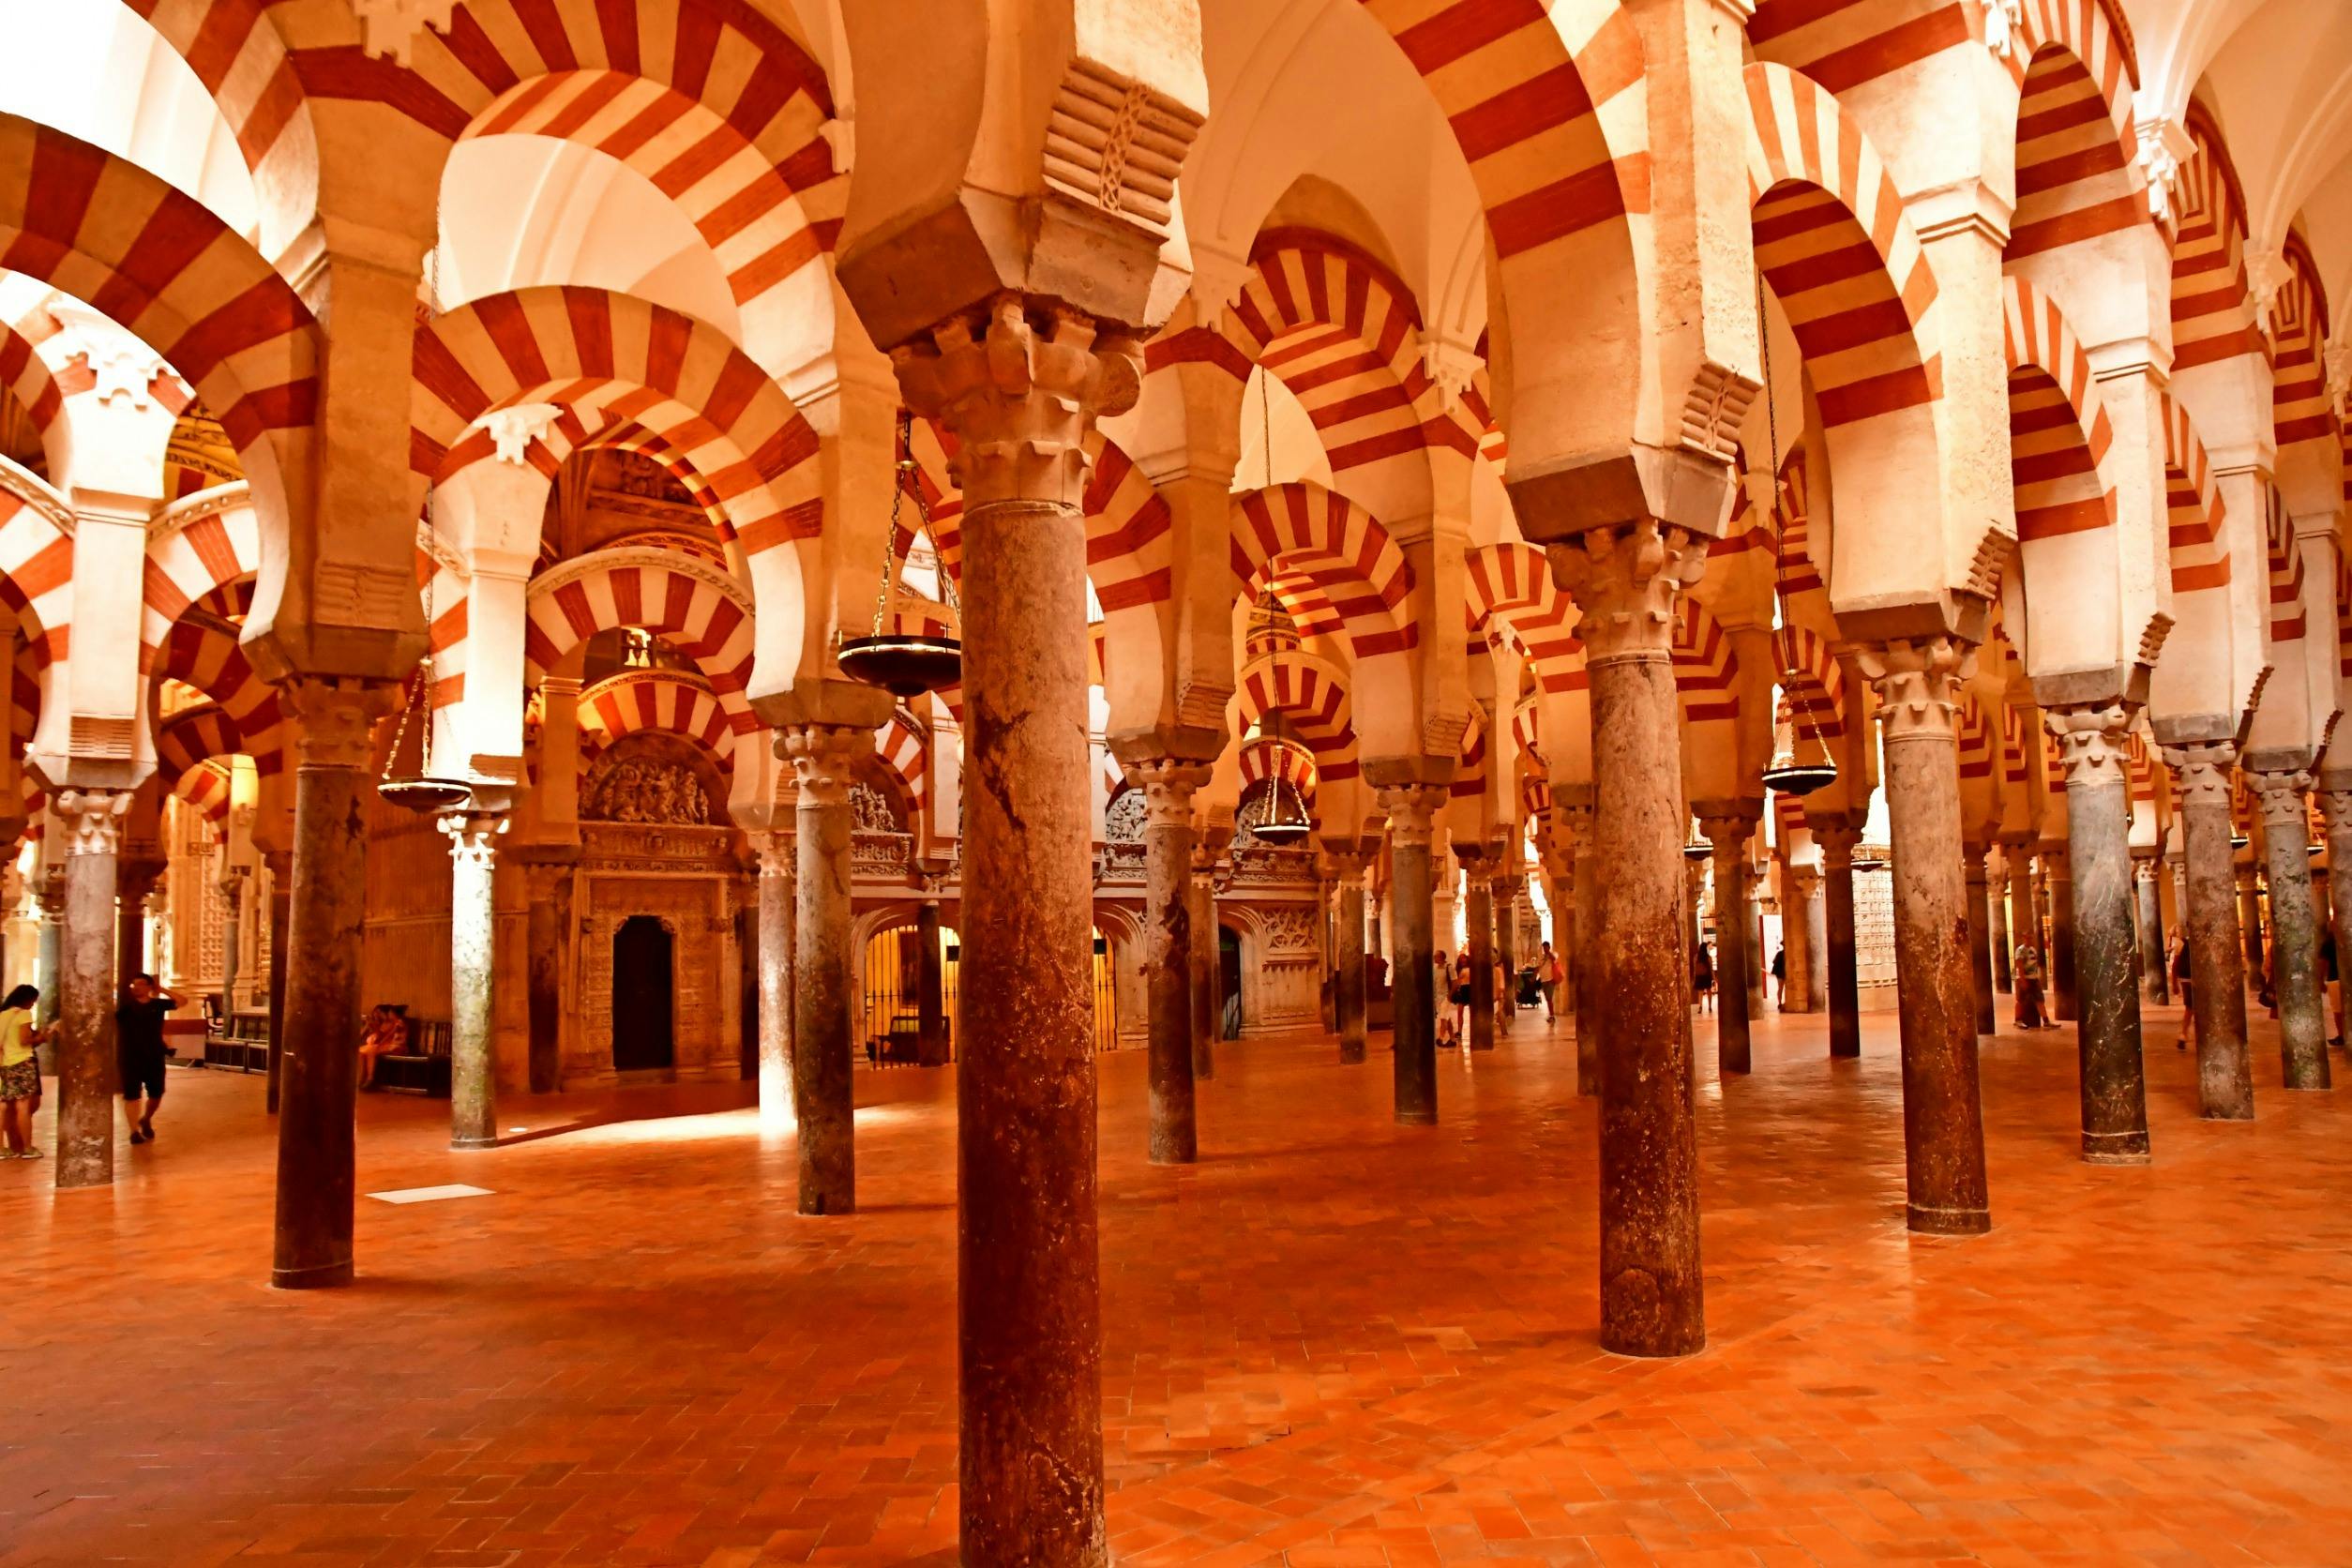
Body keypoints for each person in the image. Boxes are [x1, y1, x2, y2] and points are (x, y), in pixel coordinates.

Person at [116, 973, 181, 1145]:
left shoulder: (158, 1005)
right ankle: (133, 1131)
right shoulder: (126, 1008)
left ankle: (146, 1119)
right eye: (134, 985)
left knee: (156, 1094)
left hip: (154, 1055)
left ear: (149, 987)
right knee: (132, 1095)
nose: (136, 987)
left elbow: (182, 1001)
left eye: (141, 984)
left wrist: (162, 990)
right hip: (131, 1056)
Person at [0, 984, 43, 1159]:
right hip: (22, 1063)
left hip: (5, 1063)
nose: (32, 1005)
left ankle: (2, 1149)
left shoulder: (3, 1014)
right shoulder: (23, 1014)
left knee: (3, 1106)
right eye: (33, 1001)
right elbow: (24, 1040)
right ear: (26, 999)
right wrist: (42, 1036)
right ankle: (27, 1148)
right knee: (23, 1107)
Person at [359, 1004, 408, 1090]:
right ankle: (361, 1078)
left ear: (394, 1014)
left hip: (398, 1047)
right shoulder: (394, 1022)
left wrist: (379, 1044)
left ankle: (370, 1078)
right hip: (391, 1046)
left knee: (372, 1050)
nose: (389, 1014)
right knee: (361, 1051)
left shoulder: (399, 1022)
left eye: (390, 1013)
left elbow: (389, 1035)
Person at [2013, 941, 2049, 1030]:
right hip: (2024, 978)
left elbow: (2034, 965)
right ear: (2024, 938)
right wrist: (2023, 980)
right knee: (2021, 1000)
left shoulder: (2033, 949)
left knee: (2040, 1000)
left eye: (2031, 937)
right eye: (2028, 937)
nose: (2030, 939)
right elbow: (2019, 965)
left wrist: (2036, 977)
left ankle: (2046, 1021)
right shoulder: (2020, 950)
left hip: (2033, 978)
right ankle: (2018, 1020)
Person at [2170, 933, 2195, 1050]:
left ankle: (2183, 1034)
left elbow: (2175, 965)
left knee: (2189, 1007)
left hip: (2186, 978)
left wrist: (2174, 983)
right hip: (2200, 977)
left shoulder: (2181, 942)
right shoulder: (2206, 939)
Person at [1536, 942, 1560, 1020]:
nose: (1545, 949)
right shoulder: (1542, 957)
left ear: (1549, 947)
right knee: (1547, 998)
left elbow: (1554, 959)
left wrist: (1548, 953)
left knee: (1549, 998)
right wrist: (1534, 976)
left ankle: (1552, 1016)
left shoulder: (1553, 954)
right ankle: (1551, 1014)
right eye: (1544, 948)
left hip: (1550, 980)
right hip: (1543, 980)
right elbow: (1538, 967)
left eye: (1546, 947)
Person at [1692, 942, 1715, 1014]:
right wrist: (1714, 978)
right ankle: (1710, 1007)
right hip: (1707, 976)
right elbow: (1711, 969)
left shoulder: (1696, 957)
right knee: (1709, 992)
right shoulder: (1708, 957)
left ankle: (1700, 1007)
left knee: (1700, 993)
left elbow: (1695, 968)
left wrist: (1694, 977)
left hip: (1699, 976)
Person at [1771, 945, 1787, 1009]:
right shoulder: (1782, 953)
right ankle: (1781, 1003)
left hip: (1780, 973)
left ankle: (1780, 1003)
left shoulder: (1779, 953)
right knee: (1781, 988)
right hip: (1782, 972)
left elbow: (1774, 962)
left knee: (1780, 988)